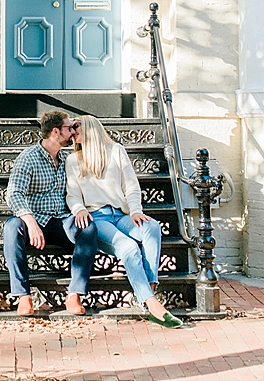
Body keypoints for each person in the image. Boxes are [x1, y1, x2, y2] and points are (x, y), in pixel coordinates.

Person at [66, 115, 184, 328]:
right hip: (97, 219)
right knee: (128, 247)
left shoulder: (116, 151)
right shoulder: (73, 160)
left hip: (121, 216)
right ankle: (152, 304)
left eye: (75, 127)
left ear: (90, 127)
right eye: (71, 128)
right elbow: (72, 194)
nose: (72, 132)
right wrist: (79, 209)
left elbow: (131, 185)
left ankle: (149, 290)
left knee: (152, 227)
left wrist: (136, 211)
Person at [3, 110, 98, 316]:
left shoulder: (68, 160)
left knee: (88, 227)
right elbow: (13, 193)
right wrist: (30, 222)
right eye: (69, 128)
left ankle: (74, 293)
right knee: (11, 227)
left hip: (61, 221)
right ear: (56, 132)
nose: (73, 132)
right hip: (34, 220)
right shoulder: (28, 158)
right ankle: (23, 296)